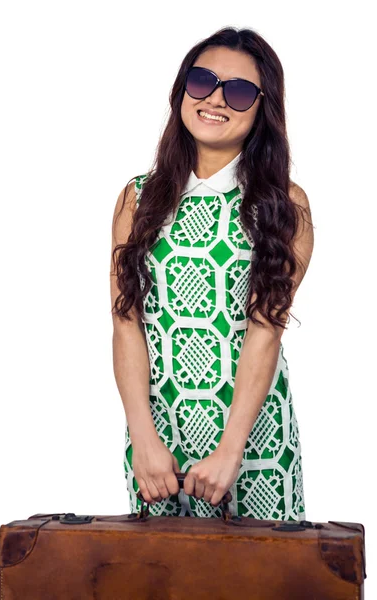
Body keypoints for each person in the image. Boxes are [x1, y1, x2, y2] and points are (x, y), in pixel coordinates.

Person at [110, 27, 314, 520]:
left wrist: (230, 452)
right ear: (183, 88)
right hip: (158, 437)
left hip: (253, 439)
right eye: (203, 81)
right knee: (160, 584)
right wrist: (143, 437)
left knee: (264, 585)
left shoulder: (285, 205)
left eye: (239, 90)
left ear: (262, 108)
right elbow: (125, 322)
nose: (216, 99)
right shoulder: (138, 197)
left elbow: (265, 332)